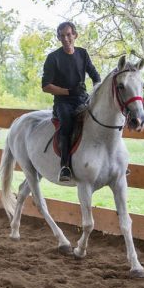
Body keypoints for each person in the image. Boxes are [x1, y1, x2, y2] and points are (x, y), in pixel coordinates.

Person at [42, 22, 101, 182]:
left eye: (68, 34)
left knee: (101, 120)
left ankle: (109, 162)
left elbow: (95, 75)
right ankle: (65, 166)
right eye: (62, 35)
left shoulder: (83, 53)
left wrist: (97, 87)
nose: (65, 38)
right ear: (58, 37)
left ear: (75, 35)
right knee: (67, 124)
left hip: (83, 100)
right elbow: (46, 86)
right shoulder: (53, 58)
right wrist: (68, 91)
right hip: (63, 103)